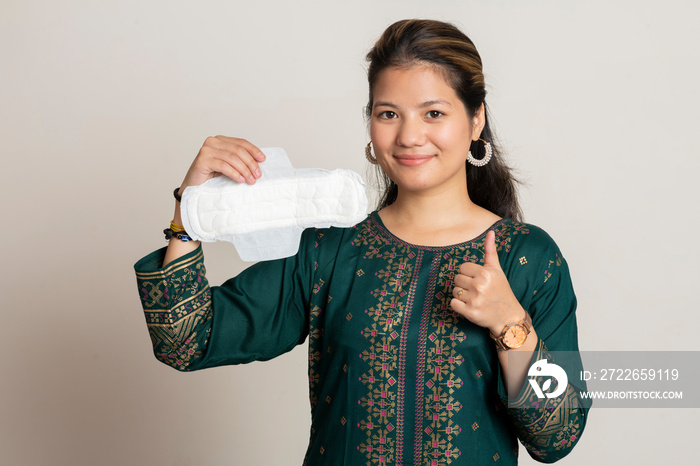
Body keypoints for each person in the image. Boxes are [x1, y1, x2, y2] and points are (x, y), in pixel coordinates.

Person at [135, 19, 589, 465]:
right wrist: (191, 209)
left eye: (434, 113)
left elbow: (558, 438)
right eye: (388, 114)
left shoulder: (528, 257)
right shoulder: (329, 251)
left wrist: (511, 325)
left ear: (475, 121)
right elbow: (185, 340)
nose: (410, 136)